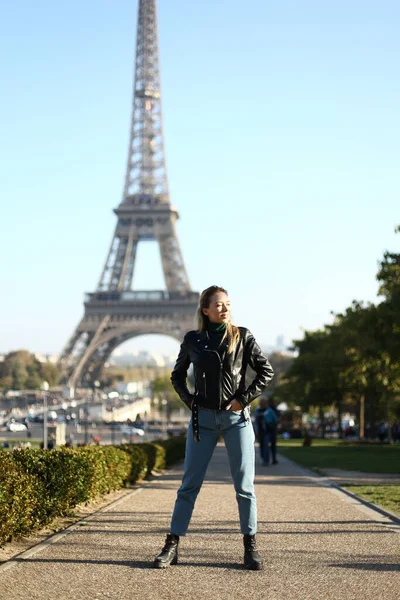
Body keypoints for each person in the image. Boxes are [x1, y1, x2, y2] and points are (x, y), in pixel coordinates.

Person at [153, 285, 274, 570]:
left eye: (227, 304)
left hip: (236, 420)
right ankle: (173, 544)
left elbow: (265, 371)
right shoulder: (193, 339)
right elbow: (177, 376)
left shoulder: (242, 337)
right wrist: (190, 401)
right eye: (218, 304)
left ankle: (250, 545)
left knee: (245, 488)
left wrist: (242, 399)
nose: (225, 308)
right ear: (205, 310)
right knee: (188, 486)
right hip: (203, 421)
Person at [262, 400, 279, 465]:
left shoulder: (269, 411)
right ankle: (270, 460)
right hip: (269, 430)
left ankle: (269, 460)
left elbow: (275, 420)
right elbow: (276, 420)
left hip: (269, 430)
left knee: (269, 446)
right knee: (270, 446)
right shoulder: (267, 411)